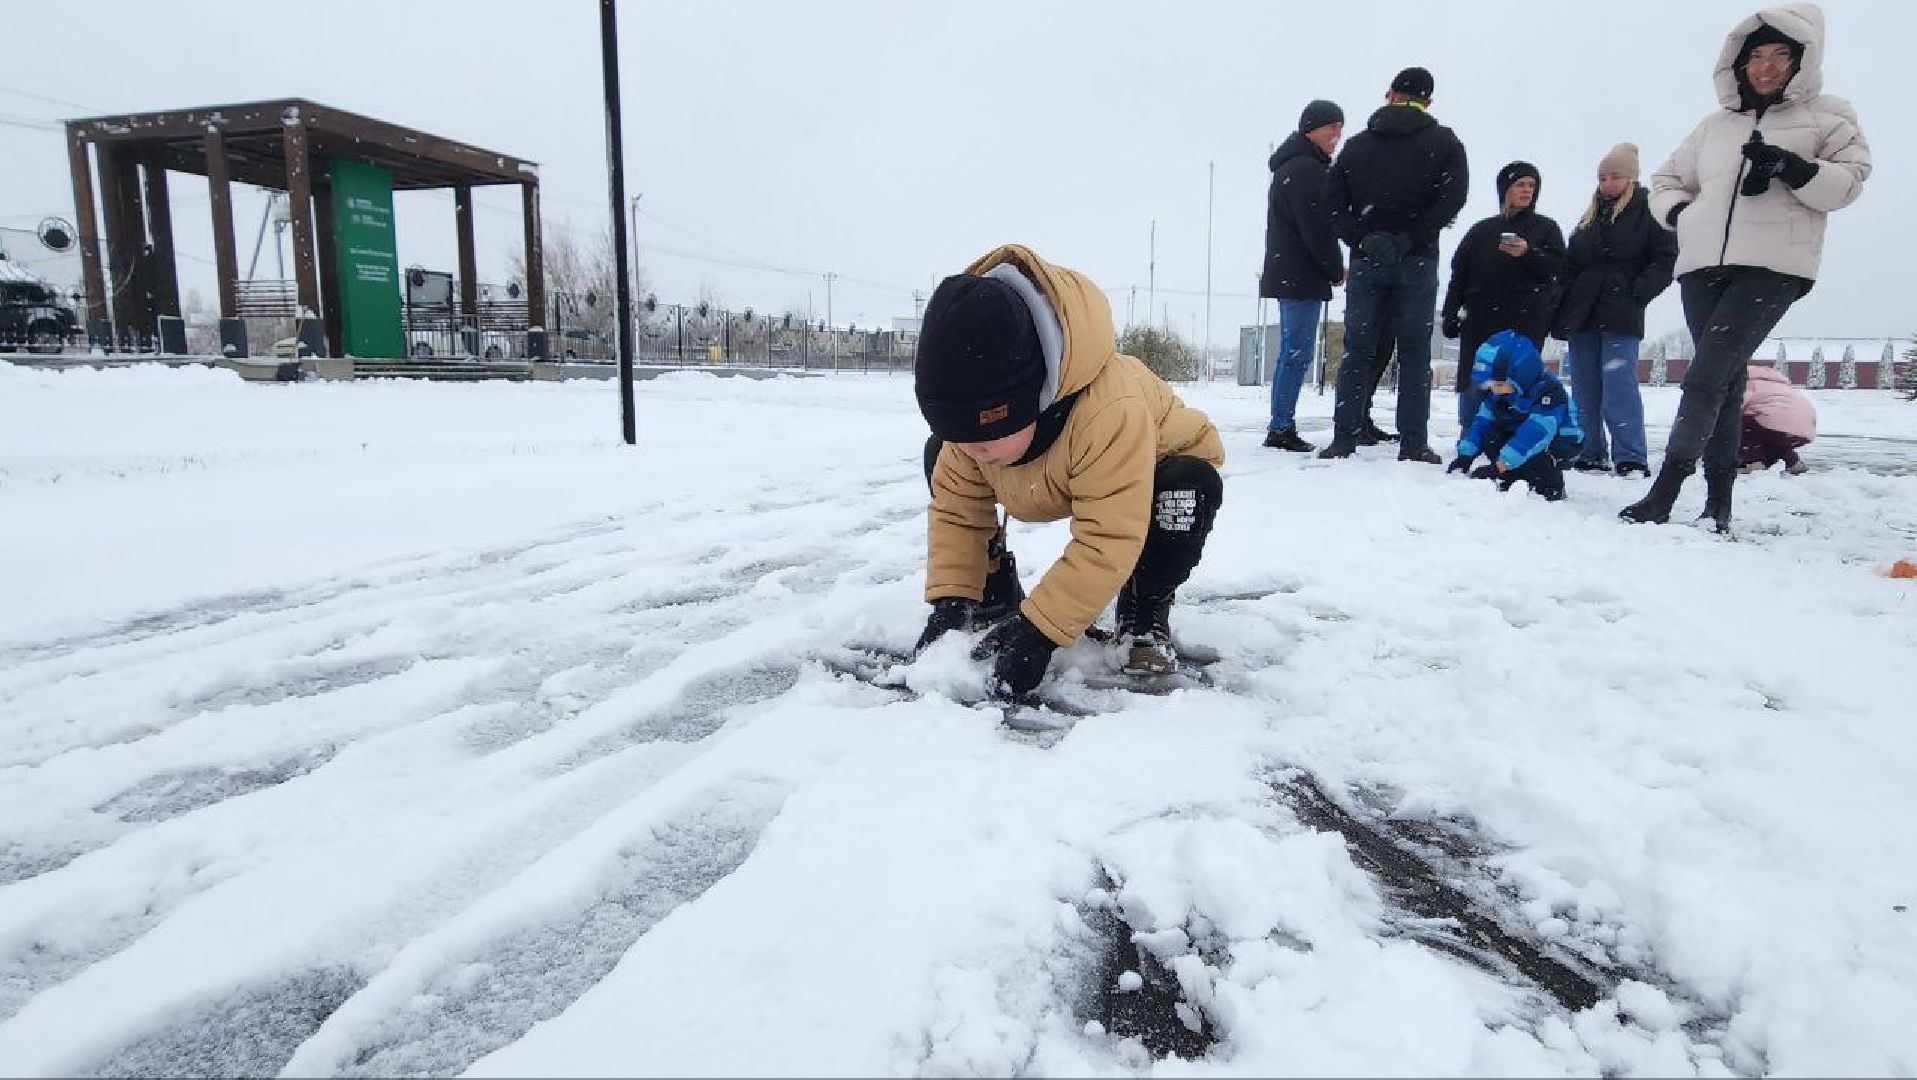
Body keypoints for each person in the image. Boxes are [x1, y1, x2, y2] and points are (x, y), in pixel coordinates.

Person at [913, 244, 1225, 693]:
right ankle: (988, 591)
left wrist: (1040, 632)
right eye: (956, 431)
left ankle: (1144, 608)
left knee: (1184, 489)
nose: (969, 448)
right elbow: (957, 514)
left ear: (1033, 397)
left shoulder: (1110, 412)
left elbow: (1109, 535)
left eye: (981, 433)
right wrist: (950, 603)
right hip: (1050, 465)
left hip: (1154, 470)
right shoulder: (973, 440)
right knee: (941, 460)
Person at [1622, 3, 1869, 532]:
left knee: (1706, 375)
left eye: (1782, 54)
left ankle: (1664, 492)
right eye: (1756, 54)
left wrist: (1794, 167)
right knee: (1727, 383)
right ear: (1738, 61)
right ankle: (1719, 503)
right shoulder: (1713, 126)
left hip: (1773, 266)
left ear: (1804, 58)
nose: (1766, 66)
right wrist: (1685, 215)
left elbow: (1848, 182)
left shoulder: (1831, 115)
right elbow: (1666, 182)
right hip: (1702, 265)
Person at [1319, 65, 1469, 463]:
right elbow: (1452, 200)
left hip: (1367, 260)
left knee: (1358, 350)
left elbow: (1332, 204)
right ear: (1428, 100)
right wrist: (1409, 238)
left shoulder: (1358, 145)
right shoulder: (1445, 143)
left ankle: (1344, 437)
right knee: (1415, 351)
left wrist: (1363, 238)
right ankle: (1413, 442)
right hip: (1417, 259)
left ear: (1390, 94)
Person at [1552, 142, 1678, 478]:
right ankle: (1589, 451)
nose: (1607, 183)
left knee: (1618, 383)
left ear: (1631, 179)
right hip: (1583, 313)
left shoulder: (1649, 211)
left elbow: (1666, 259)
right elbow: (1570, 263)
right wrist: (1561, 302)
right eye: (1603, 177)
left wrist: (1637, 293)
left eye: (1615, 177)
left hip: (1622, 311)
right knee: (1584, 386)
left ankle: (1630, 456)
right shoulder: (1588, 218)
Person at [1439, 161, 1566, 431]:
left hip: (1525, 321)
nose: (1526, 190)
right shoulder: (1481, 231)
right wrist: (1450, 313)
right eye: (1520, 184)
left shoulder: (1546, 229)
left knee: (1517, 384)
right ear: (1505, 189)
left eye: (1532, 185)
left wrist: (1529, 253)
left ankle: (1510, 438)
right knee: (1476, 381)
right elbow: (1459, 275)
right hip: (1480, 321)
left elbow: (1558, 272)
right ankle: (1471, 436)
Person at [1259, 99, 1346, 453]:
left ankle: (1281, 423)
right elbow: (1317, 228)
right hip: (1300, 275)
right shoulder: (1306, 169)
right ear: (1311, 127)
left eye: (1340, 128)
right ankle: (1281, 426)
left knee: (1293, 353)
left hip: (1291, 271)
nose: (1337, 135)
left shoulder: (1293, 166)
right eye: (1331, 127)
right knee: (1295, 353)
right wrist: (1332, 267)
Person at [1445, 330, 1585, 502]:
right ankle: (1513, 476)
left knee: (1536, 454)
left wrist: (1499, 466)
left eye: (1498, 384)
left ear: (1520, 374)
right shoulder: (1501, 393)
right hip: (1518, 432)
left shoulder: (1549, 392)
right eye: (1491, 385)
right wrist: (1466, 455)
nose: (1494, 389)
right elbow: (1482, 422)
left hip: (1557, 443)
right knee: (1491, 437)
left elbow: (1536, 433)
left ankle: (1550, 487)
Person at [1741, 363, 1815, 473]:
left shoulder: (1749, 383)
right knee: (1775, 439)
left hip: (1774, 417)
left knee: (1744, 428)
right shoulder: (1778, 384)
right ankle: (1793, 463)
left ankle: (1753, 463)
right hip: (1805, 422)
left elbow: (1739, 404)